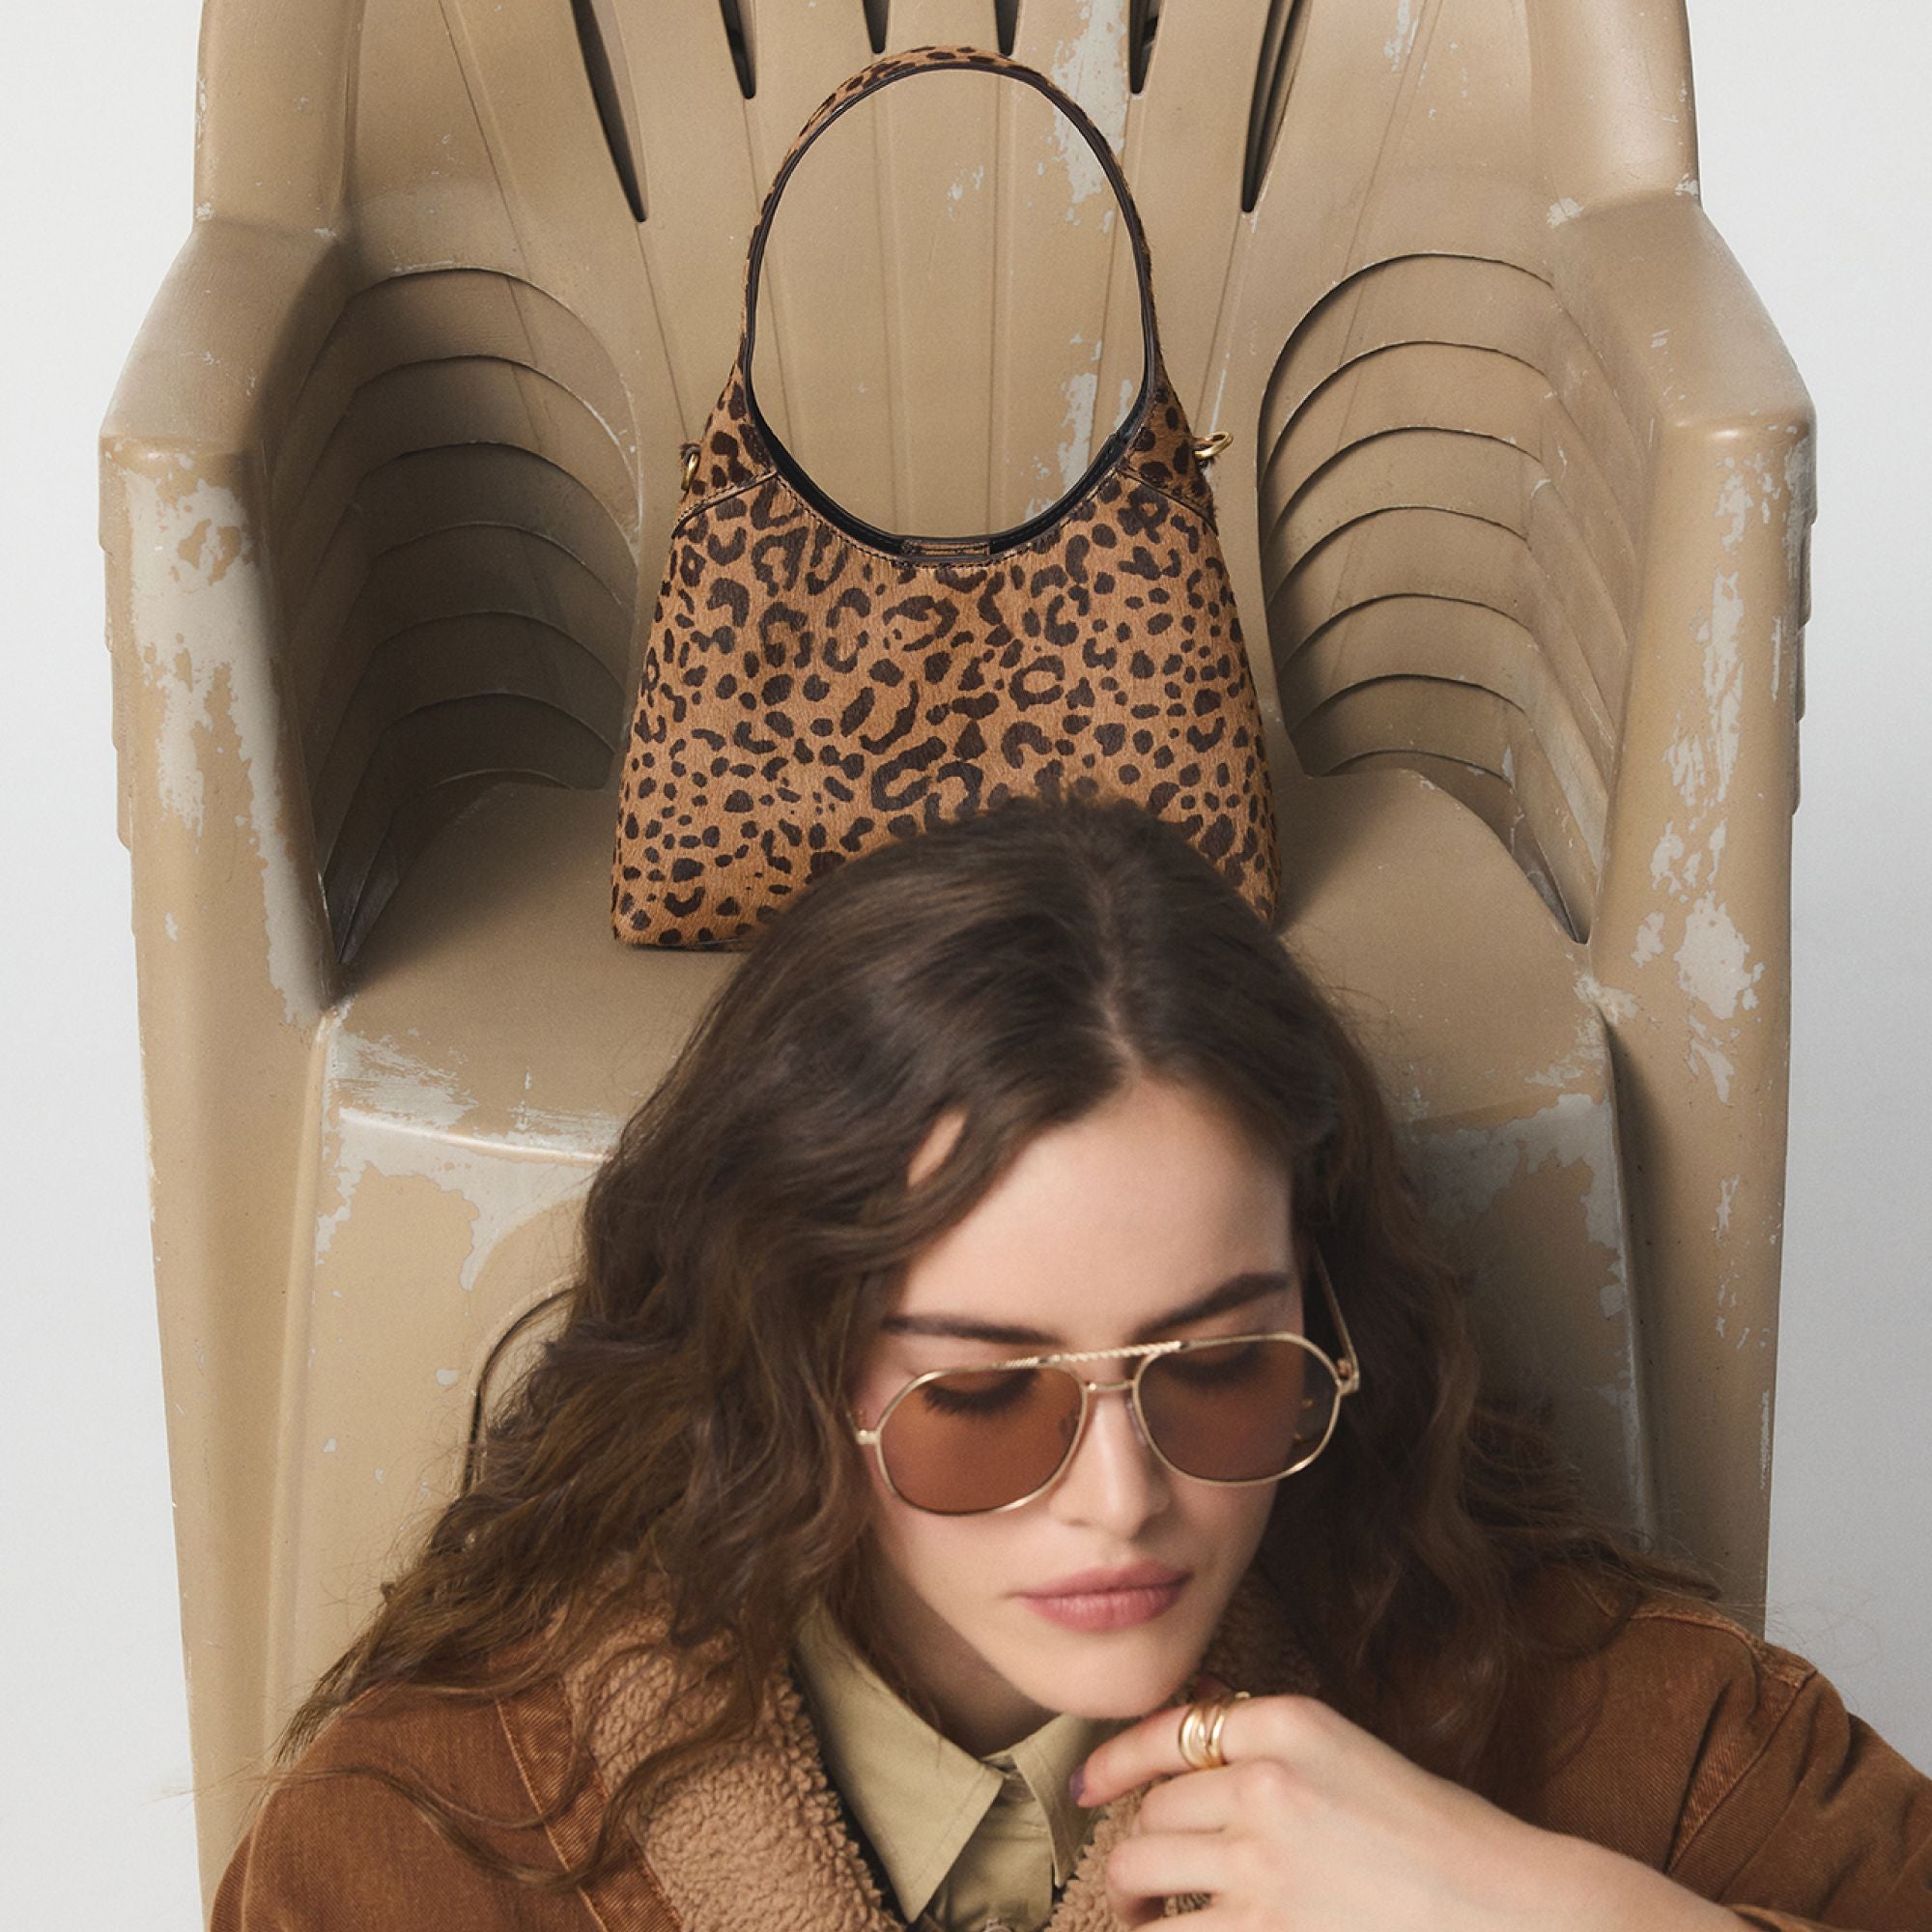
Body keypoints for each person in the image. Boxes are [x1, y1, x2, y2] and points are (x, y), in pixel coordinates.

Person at [212, 794, 1932, 1930]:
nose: (1125, 1502)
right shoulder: (416, 1847)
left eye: (1222, 1368)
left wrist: (1543, 1917)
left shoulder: (1625, 1737)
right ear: (789, 1368)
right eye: (983, 1399)